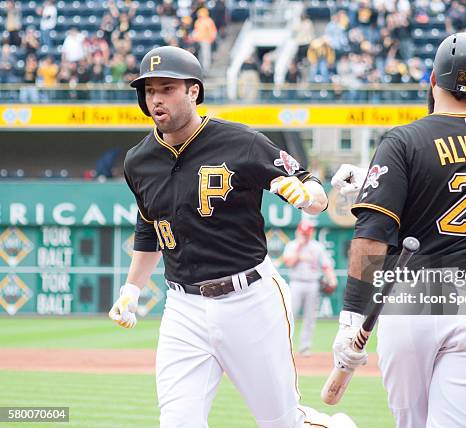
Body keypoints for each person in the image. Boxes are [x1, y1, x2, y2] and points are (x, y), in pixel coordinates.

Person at [108, 46, 356, 428]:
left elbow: (315, 192)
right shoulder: (138, 161)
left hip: (250, 300)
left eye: (167, 88)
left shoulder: (241, 142)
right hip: (183, 308)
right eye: (149, 90)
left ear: (193, 91)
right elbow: (149, 226)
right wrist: (132, 289)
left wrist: (307, 197)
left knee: (280, 422)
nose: (156, 98)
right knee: (177, 422)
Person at [330, 32, 466, 427]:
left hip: (417, 296)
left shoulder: (404, 140)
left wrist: (351, 315)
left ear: (433, 80)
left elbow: (371, 236)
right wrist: (374, 180)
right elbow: (462, 181)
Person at [282, 220, 337, 356]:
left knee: (310, 317)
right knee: (290, 315)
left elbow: (326, 265)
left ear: (311, 233)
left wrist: (332, 278)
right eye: (303, 233)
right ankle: (285, 345)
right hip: (296, 283)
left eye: (307, 233)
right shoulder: (292, 245)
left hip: (312, 283)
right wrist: (299, 251)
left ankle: (305, 347)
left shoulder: (317, 247)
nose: (305, 235)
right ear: (298, 232)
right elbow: (288, 262)